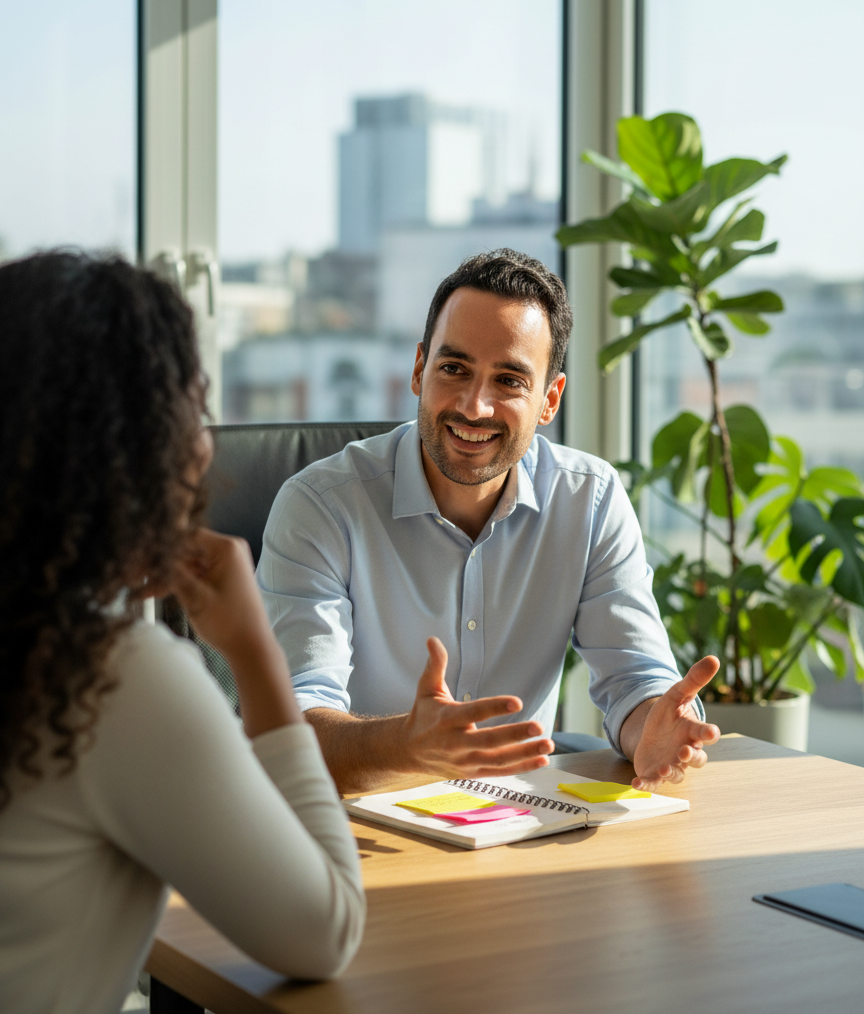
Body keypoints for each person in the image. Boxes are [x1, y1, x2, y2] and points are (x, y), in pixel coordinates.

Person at [0, 252, 365, 1014]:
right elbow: (323, 932)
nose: (204, 445)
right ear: (131, 453)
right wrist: (255, 651)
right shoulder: (113, 675)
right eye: (190, 411)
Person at [258, 249, 720, 795]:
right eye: (453, 369)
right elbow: (289, 731)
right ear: (417, 370)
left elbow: (635, 681)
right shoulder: (320, 506)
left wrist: (651, 732)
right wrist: (406, 746)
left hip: (520, 827)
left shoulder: (589, 500)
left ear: (549, 400)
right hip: (358, 830)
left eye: (508, 381)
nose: (474, 407)